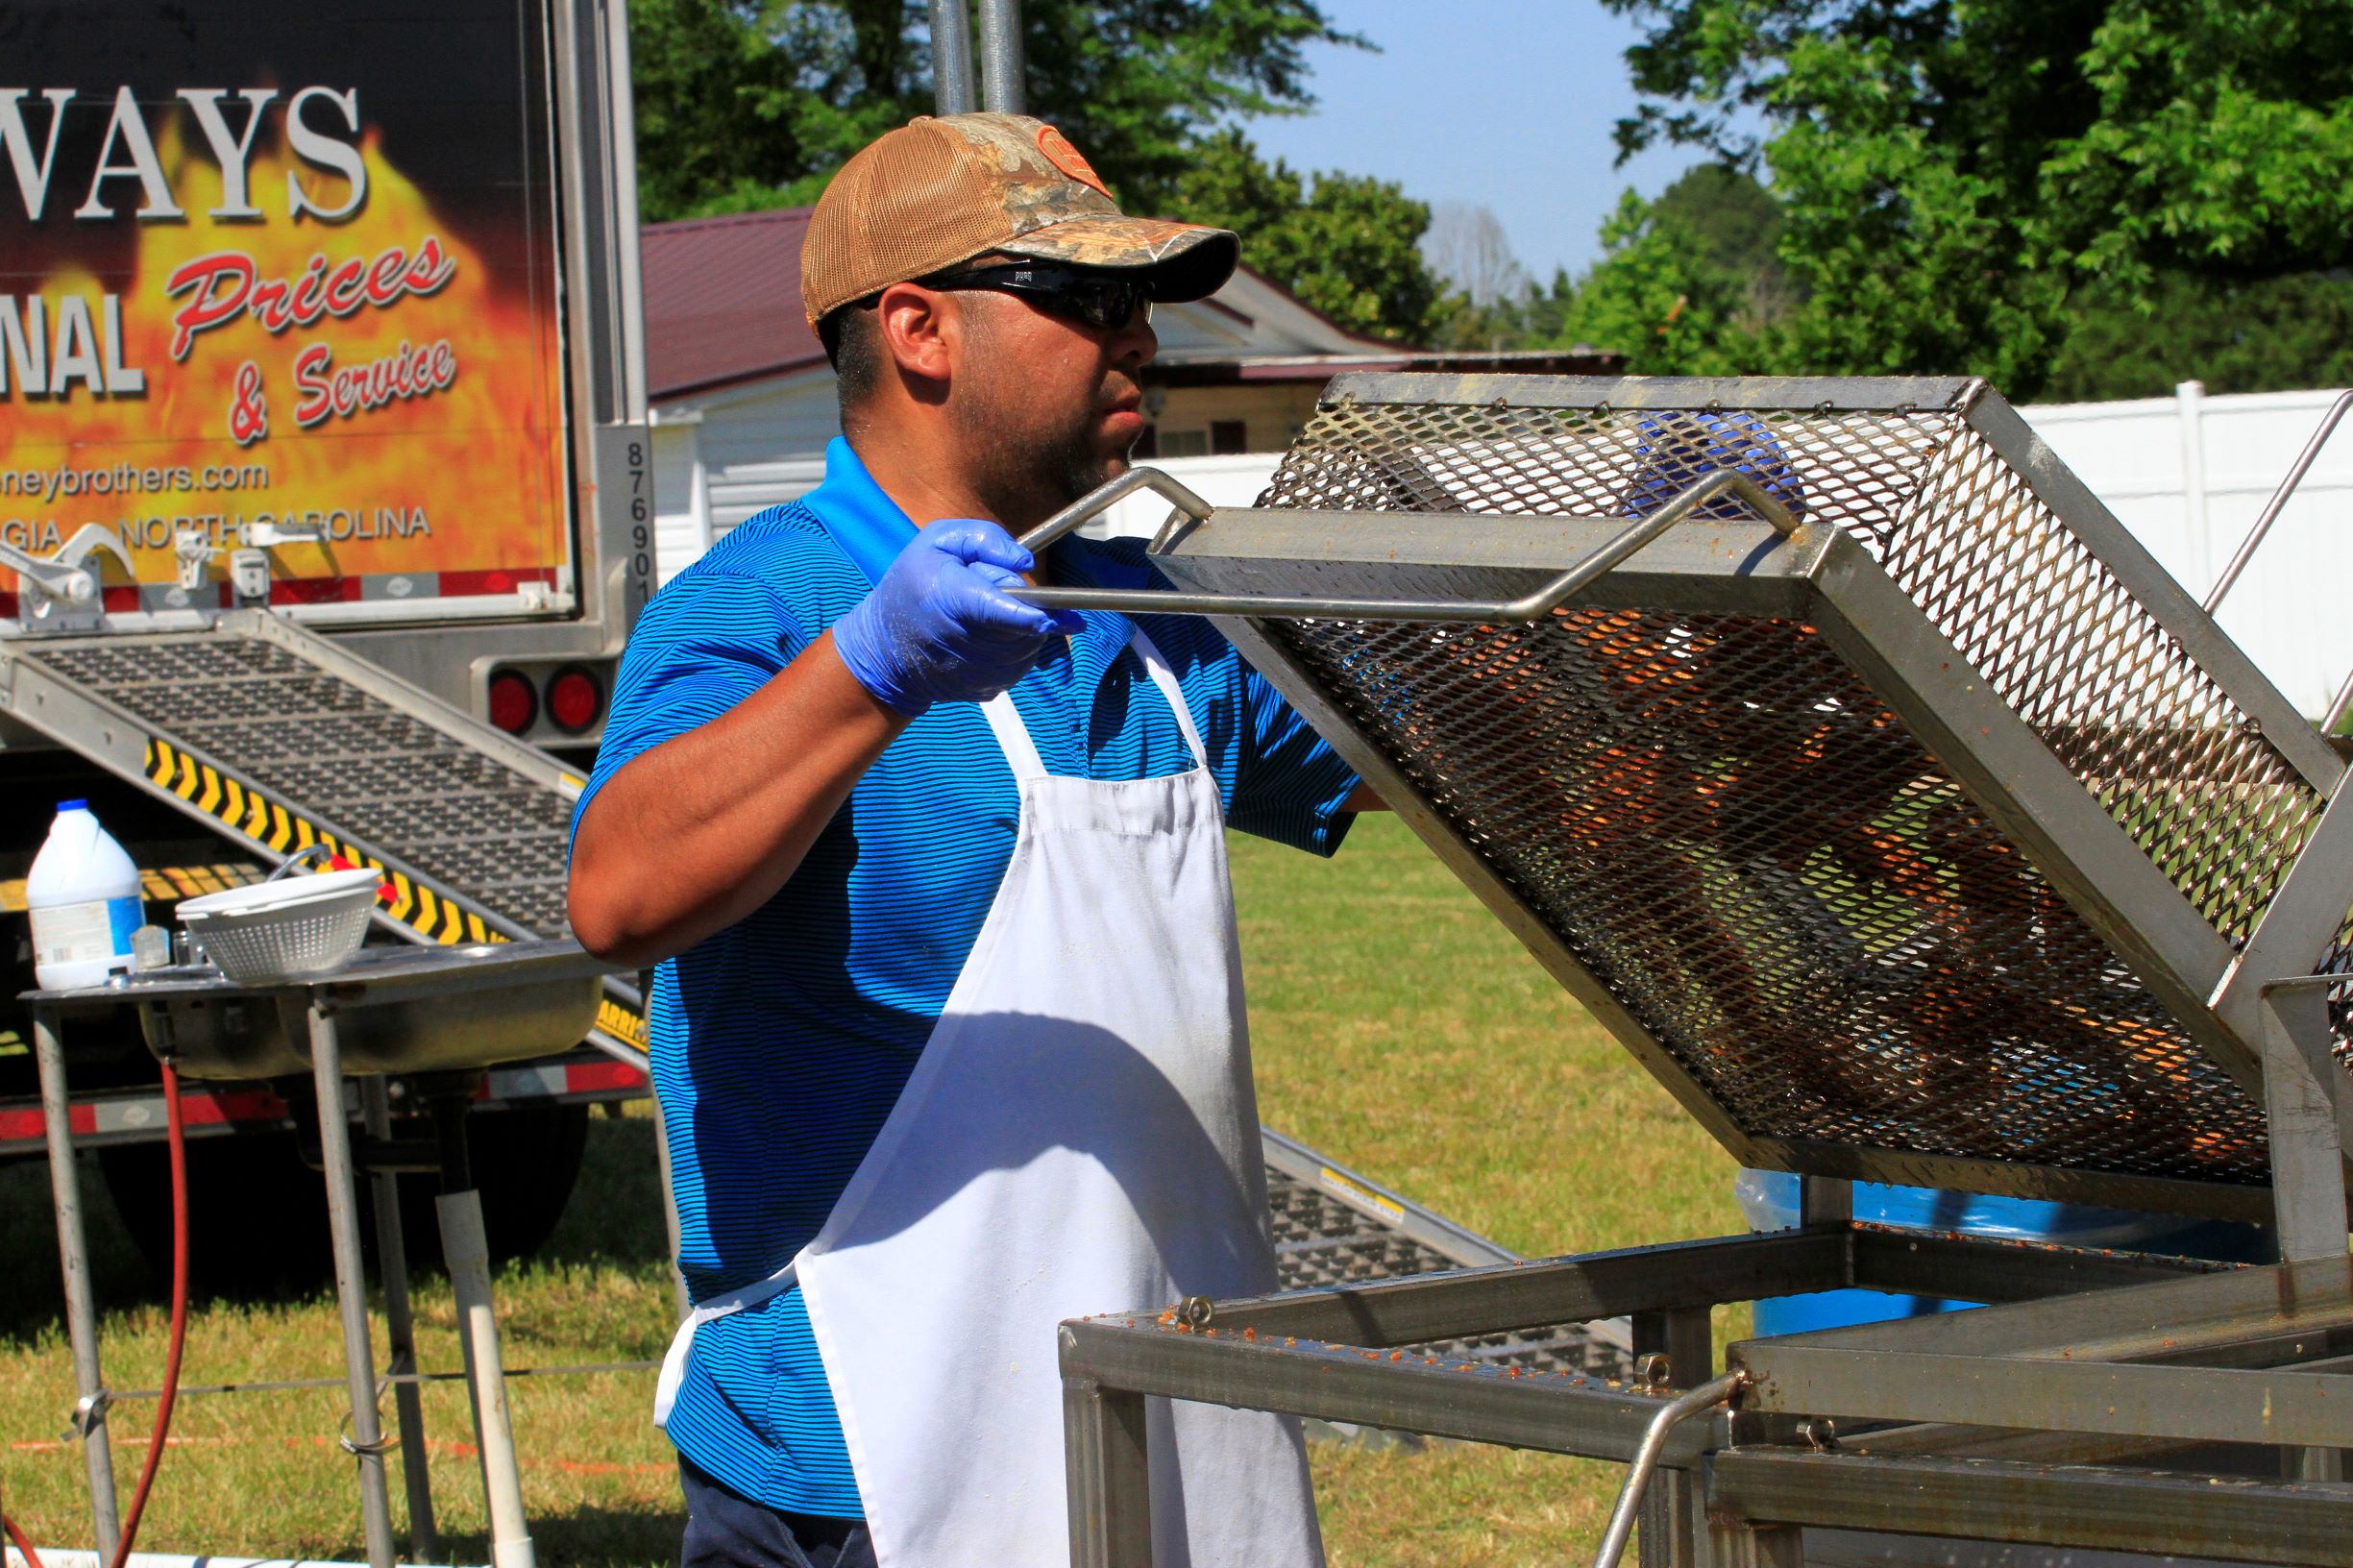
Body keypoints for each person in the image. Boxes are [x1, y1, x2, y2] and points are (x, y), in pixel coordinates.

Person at [567, 111, 1374, 1568]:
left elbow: (1435, 771)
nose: (1139, 342)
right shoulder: (761, 610)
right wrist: (870, 667)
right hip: (862, 1467)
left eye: (1142, 306)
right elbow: (619, 896)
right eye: (1087, 302)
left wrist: (1658, 618)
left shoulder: (1155, 616)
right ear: (920, 330)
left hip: (1167, 1426)